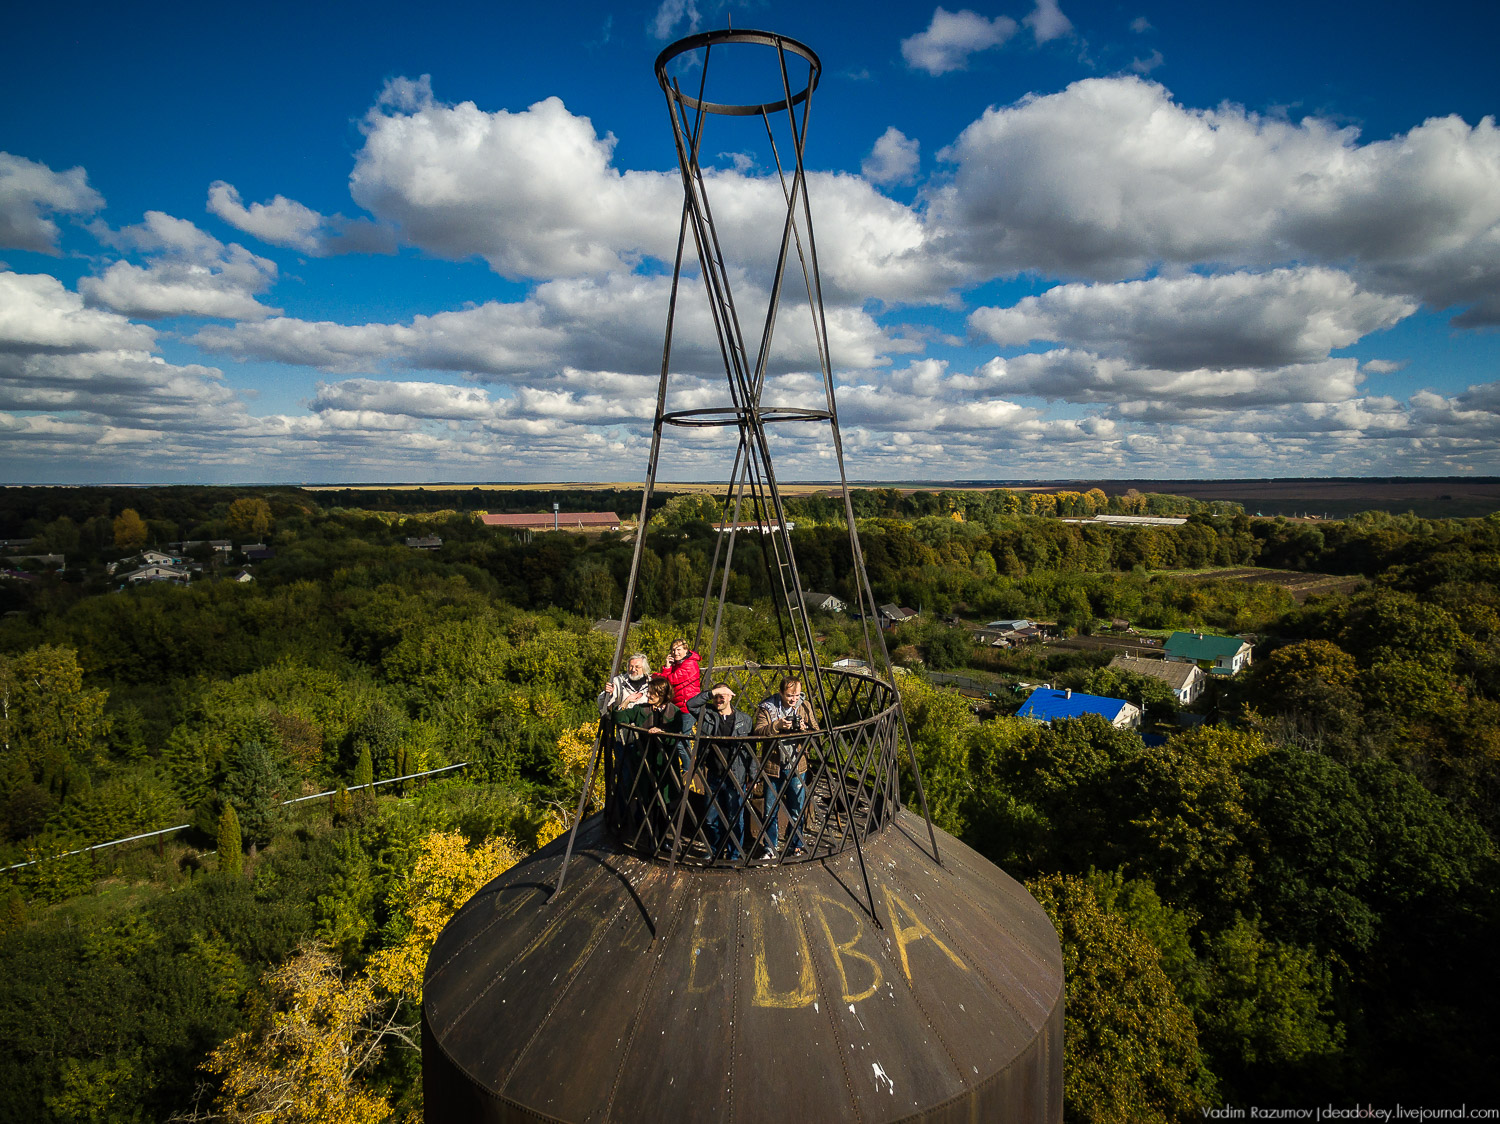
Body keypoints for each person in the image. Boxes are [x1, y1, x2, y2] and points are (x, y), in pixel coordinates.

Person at [615, 676, 692, 844]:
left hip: (665, 764)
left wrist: (662, 731)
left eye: (653, 694)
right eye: (648, 693)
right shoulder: (641, 709)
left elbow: (676, 730)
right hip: (646, 763)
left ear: (663, 694)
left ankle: (663, 839)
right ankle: (651, 838)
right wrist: (626, 701)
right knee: (648, 802)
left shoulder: (674, 712)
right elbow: (619, 717)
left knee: (666, 804)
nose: (648, 696)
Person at [753, 675, 819, 858]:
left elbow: (817, 731)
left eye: (797, 695)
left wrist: (805, 729)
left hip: (797, 764)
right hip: (773, 764)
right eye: (790, 695)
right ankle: (770, 848)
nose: (794, 699)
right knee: (770, 809)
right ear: (781, 692)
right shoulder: (767, 708)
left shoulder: (804, 706)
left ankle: (794, 845)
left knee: (797, 808)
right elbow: (758, 731)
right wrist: (777, 725)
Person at [685, 682, 753, 860]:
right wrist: (712, 692)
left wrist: (753, 776)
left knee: (734, 819)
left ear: (731, 696)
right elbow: (690, 704)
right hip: (714, 774)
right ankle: (714, 850)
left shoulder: (744, 720)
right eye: (717, 696)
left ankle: (734, 854)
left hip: (736, 775)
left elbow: (751, 749)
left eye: (723, 695)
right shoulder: (707, 714)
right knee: (711, 818)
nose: (719, 699)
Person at [599, 653, 652, 830]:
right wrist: (607, 694)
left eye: (637, 667)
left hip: (646, 739)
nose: (633, 669)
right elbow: (603, 705)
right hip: (624, 738)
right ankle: (622, 817)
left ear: (644, 668)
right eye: (631, 666)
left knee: (645, 780)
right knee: (624, 779)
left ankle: (641, 819)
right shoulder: (619, 682)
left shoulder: (651, 682)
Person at [661, 638, 702, 711]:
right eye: (673, 650)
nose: (675, 653)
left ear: (685, 650)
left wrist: (667, 668)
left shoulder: (689, 664)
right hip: (678, 704)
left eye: (678, 650)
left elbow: (669, 681)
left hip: (687, 707)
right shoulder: (678, 664)